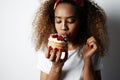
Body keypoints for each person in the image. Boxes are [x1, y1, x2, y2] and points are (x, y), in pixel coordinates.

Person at [32, 0, 109, 80]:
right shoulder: (48, 49)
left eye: (70, 21)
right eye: (58, 21)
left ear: (81, 21)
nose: (63, 27)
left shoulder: (91, 48)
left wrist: (87, 59)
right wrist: (56, 67)